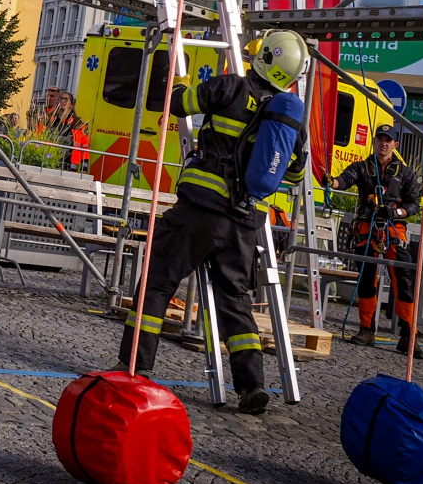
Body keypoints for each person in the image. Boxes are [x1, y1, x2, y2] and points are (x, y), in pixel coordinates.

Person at [116, 29, 311, 416]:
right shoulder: (287, 118)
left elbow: (178, 104)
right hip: (243, 223)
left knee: (156, 282)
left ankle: (134, 366)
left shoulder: (230, 87)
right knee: (236, 303)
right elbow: (291, 174)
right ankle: (251, 386)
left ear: (264, 59)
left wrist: (183, 78)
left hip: (200, 211)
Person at [329, 125, 423, 357]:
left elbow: (414, 204)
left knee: (403, 282)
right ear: (374, 141)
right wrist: (331, 182)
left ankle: (407, 336)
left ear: (395, 145)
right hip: (366, 228)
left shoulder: (406, 173)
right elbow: (344, 180)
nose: (383, 143)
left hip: (394, 230)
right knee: (366, 280)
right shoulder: (362, 167)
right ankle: (366, 330)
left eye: (388, 140)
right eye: (380, 139)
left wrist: (397, 213)